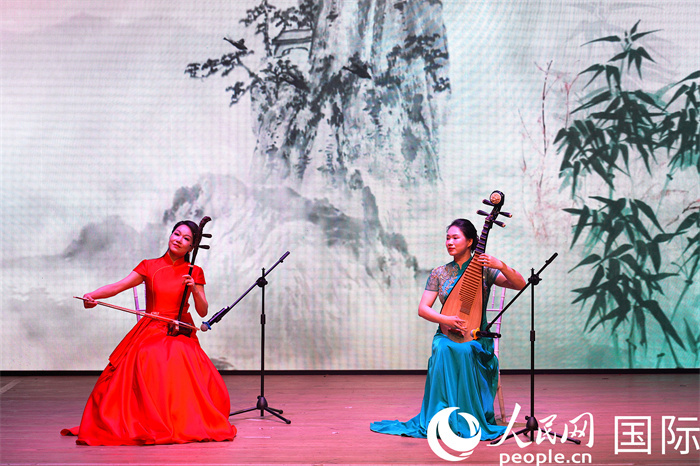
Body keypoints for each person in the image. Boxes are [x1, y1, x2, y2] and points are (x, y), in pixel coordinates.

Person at [62, 220, 236, 446]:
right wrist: (92, 296)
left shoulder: (195, 272)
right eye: (177, 234)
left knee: (179, 354)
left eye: (186, 239)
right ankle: (148, 419)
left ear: (192, 247)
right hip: (152, 326)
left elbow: (203, 310)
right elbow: (118, 286)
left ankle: (178, 419)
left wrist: (194, 289)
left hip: (180, 328)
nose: (179, 240)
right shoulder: (149, 266)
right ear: (170, 234)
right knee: (148, 354)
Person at [370, 218, 526, 440]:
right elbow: (423, 309)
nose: (450, 242)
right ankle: (442, 417)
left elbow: (520, 284)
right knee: (442, 348)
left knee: (465, 350)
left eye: (455, 238)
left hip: (476, 337)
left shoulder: (484, 271)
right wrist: (446, 319)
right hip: (446, 334)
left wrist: (500, 265)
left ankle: (466, 418)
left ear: (470, 241)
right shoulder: (439, 273)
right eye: (447, 238)